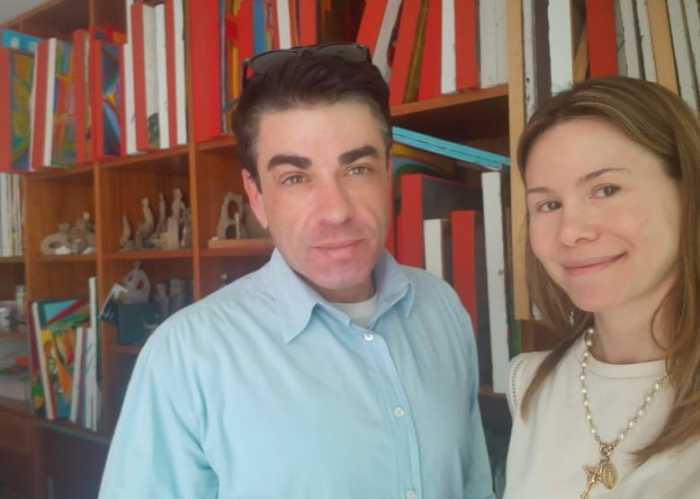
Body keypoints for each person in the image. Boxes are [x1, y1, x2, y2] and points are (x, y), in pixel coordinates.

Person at [99, 43, 494, 499]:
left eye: (358, 169)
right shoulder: (186, 357)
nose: (336, 212)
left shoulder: (442, 307)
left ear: (388, 173)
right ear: (256, 196)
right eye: (294, 178)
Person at [503, 76, 700, 499]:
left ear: (687, 193)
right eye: (548, 204)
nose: (571, 232)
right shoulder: (529, 384)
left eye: (605, 190)